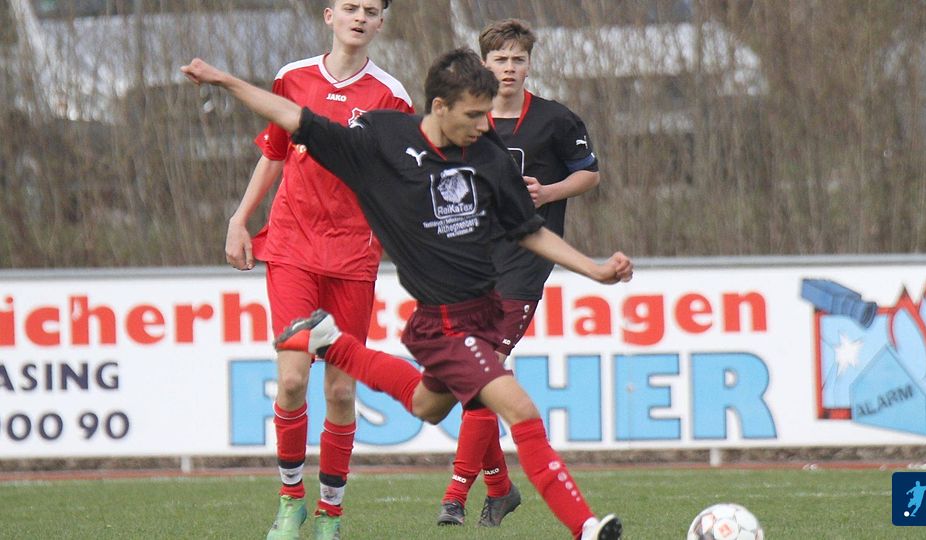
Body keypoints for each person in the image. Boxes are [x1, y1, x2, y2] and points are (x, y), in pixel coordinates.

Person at [181, 47, 629, 540]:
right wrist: (226, 81)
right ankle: (586, 527)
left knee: (425, 405)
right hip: (445, 325)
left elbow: (528, 229)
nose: (485, 125)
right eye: (473, 115)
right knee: (520, 409)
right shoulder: (382, 142)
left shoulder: (487, 154)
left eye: (486, 114)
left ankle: (334, 346)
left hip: (482, 314)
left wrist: (593, 268)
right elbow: (292, 117)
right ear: (439, 107)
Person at [222, 1, 413, 538]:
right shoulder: (293, 77)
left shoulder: (392, 96)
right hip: (292, 247)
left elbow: (398, 178)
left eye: (370, 10)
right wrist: (240, 219)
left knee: (342, 393)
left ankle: (330, 511)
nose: (360, 16)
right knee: (290, 379)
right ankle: (290, 502)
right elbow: (274, 153)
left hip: (353, 255)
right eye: (350, 7)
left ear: (381, 23)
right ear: (329, 15)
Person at [435, 18, 601, 528]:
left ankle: (455, 494)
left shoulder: (555, 120)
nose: (509, 67)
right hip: (470, 262)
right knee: (471, 375)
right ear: (483, 65)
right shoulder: (465, 120)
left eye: (517, 59)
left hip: (525, 262)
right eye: (500, 59)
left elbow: (589, 173)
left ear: (528, 65)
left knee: (484, 369)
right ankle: (500, 488)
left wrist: (548, 192)